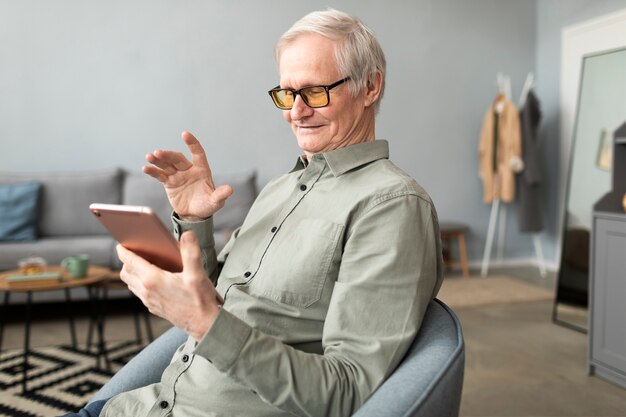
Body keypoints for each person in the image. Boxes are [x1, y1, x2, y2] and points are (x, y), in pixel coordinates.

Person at [63, 8, 443, 417]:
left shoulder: (392, 206)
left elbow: (346, 391)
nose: (295, 112)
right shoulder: (280, 188)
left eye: (315, 92)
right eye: (286, 94)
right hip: (138, 406)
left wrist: (205, 324)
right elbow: (216, 296)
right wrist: (193, 223)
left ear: (370, 87)